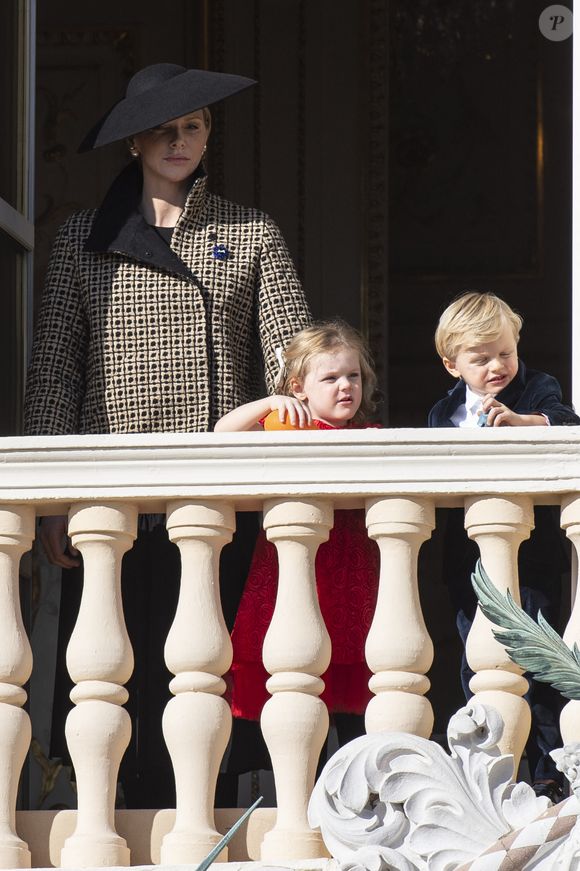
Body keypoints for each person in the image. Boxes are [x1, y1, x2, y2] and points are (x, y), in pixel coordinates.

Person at [24, 62, 312, 808]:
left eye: (191, 126)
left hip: (220, 493)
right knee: (117, 677)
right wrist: (50, 498)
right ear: (133, 143)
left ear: (208, 132)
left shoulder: (250, 232)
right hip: (111, 496)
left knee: (212, 675)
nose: (178, 140)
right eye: (161, 129)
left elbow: (296, 366)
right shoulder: (81, 241)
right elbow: (56, 372)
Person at [429, 290, 580, 803]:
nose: (497, 366)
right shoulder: (443, 411)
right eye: (481, 358)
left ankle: (545, 771)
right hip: (467, 561)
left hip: (528, 557)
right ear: (452, 364)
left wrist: (523, 423)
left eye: (505, 353)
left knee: (534, 664)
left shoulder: (536, 389)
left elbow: (566, 421)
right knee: (477, 663)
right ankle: (491, 769)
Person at [215, 320, 380, 748]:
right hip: (297, 568)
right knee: (293, 670)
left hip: (351, 570)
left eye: (353, 376)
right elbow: (223, 434)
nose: (345, 386)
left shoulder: (371, 437)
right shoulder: (289, 425)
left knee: (352, 676)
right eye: (330, 378)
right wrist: (272, 402)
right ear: (299, 387)